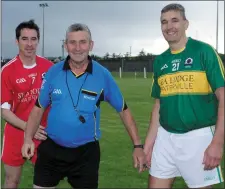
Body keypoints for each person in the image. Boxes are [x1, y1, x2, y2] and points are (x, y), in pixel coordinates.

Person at [21, 23, 147, 189]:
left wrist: (138, 146)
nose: (78, 48)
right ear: (66, 46)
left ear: (91, 44)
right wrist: (28, 138)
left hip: (86, 154)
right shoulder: (53, 72)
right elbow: (38, 108)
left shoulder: (103, 75)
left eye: (83, 42)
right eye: (72, 42)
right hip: (51, 150)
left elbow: (123, 110)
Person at [144, 3, 224, 189]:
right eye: (164, 22)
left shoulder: (203, 51)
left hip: (198, 137)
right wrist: (149, 144)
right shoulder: (160, 61)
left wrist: (217, 143)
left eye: (175, 20)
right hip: (165, 137)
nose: (169, 26)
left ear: (185, 24)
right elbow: (158, 105)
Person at [1, 20, 53, 188]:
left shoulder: (49, 67)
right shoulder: (7, 70)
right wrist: (28, 128)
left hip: (43, 133)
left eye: (33, 39)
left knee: (45, 181)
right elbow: (4, 110)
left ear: (38, 40)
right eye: (25, 39)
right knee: (11, 180)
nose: (29, 44)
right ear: (17, 41)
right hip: (16, 132)